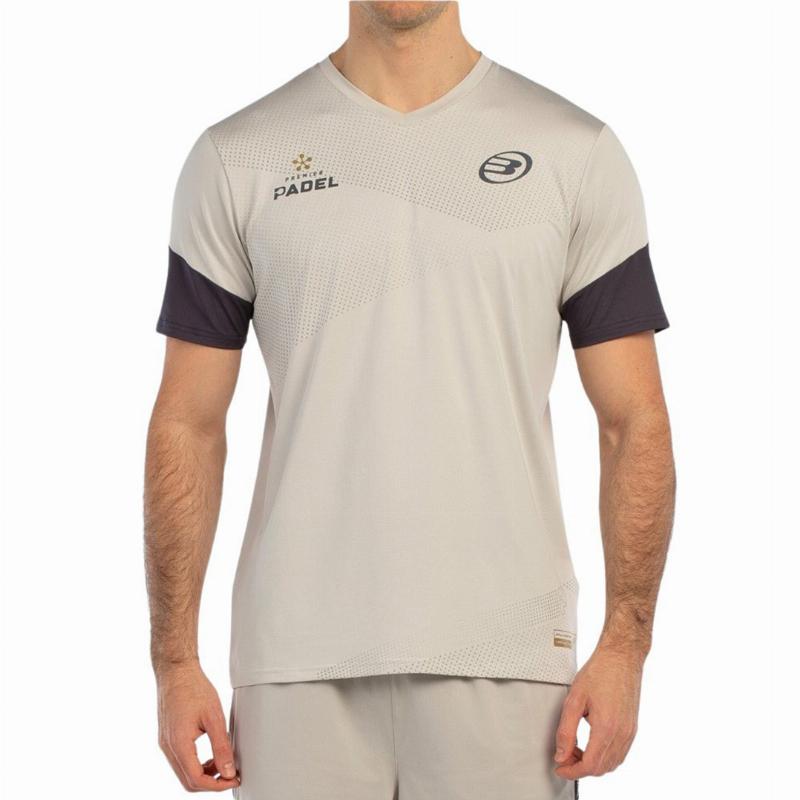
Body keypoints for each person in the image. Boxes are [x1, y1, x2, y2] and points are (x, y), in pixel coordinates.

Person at [144, 2, 675, 797]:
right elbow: (188, 423)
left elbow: (633, 422)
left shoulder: (574, 152)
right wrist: (175, 660)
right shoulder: (237, 158)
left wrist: (626, 645)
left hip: (510, 665)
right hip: (296, 665)